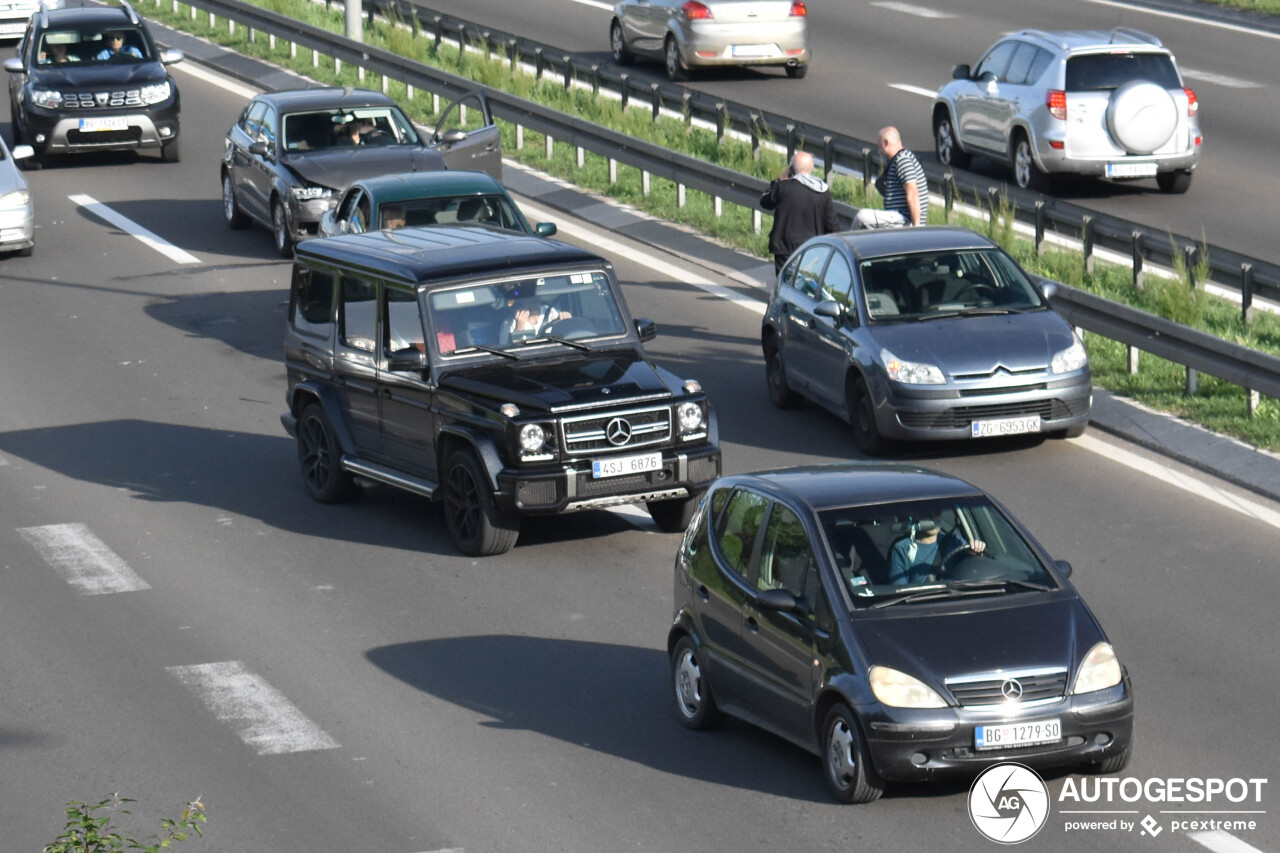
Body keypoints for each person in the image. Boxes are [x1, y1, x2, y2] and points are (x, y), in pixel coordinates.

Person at [759, 150, 839, 275]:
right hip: (812, 247)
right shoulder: (823, 191)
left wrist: (780, 179)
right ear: (811, 168)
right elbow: (832, 224)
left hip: (784, 247)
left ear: (791, 168)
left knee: (785, 282)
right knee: (807, 284)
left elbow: (765, 201)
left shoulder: (782, 187)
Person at [855, 126, 929, 230]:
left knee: (861, 217)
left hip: (905, 219)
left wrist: (917, 228)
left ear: (886, 143)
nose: (879, 149)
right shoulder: (896, 160)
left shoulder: (903, 160)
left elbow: (913, 193)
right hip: (898, 216)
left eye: (879, 144)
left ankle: (848, 244)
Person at [887, 518, 985, 585]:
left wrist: (977, 552)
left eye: (937, 513)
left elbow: (976, 573)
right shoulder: (903, 548)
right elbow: (899, 590)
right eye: (927, 514)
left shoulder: (955, 542)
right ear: (917, 517)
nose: (934, 518)